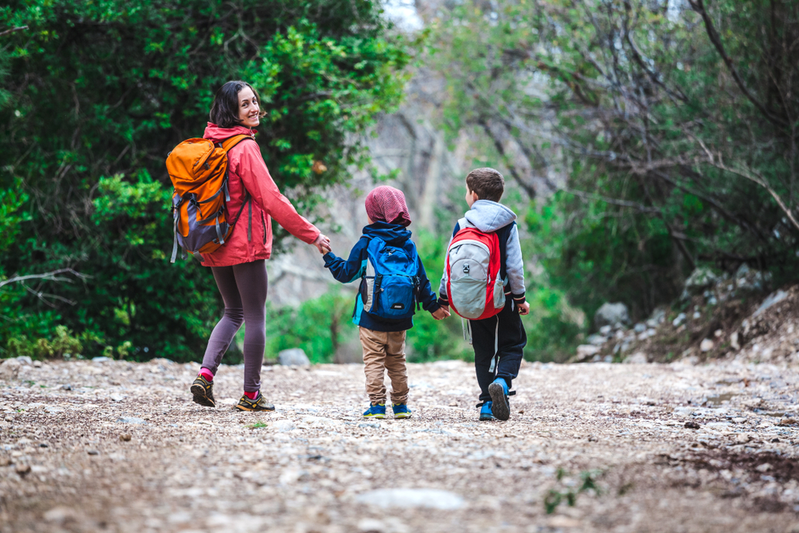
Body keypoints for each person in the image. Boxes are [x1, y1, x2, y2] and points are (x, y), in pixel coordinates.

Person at [189, 80, 331, 412]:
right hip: (245, 245)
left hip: (214, 243)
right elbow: (272, 199)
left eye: (254, 101)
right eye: (245, 104)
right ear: (232, 112)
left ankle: (205, 375)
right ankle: (251, 395)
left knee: (232, 311)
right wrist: (311, 234)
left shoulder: (211, 144)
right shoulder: (244, 148)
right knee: (254, 316)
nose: (254, 108)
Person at [322, 186, 449, 419]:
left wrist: (328, 256)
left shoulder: (367, 243)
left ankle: (377, 406)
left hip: (370, 317)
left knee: (373, 361)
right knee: (397, 362)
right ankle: (401, 407)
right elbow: (421, 281)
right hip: (401, 319)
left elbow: (345, 274)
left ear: (374, 214)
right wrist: (434, 307)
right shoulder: (408, 245)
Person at [438, 168, 529, 421]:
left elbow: (449, 266)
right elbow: (514, 268)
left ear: (474, 195)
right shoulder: (507, 225)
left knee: (483, 351)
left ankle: (487, 405)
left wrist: (444, 299)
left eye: (467, 191)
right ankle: (502, 380)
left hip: (473, 299)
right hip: (503, 299)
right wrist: (520, 299)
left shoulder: (461, 224)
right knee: (513, 344)